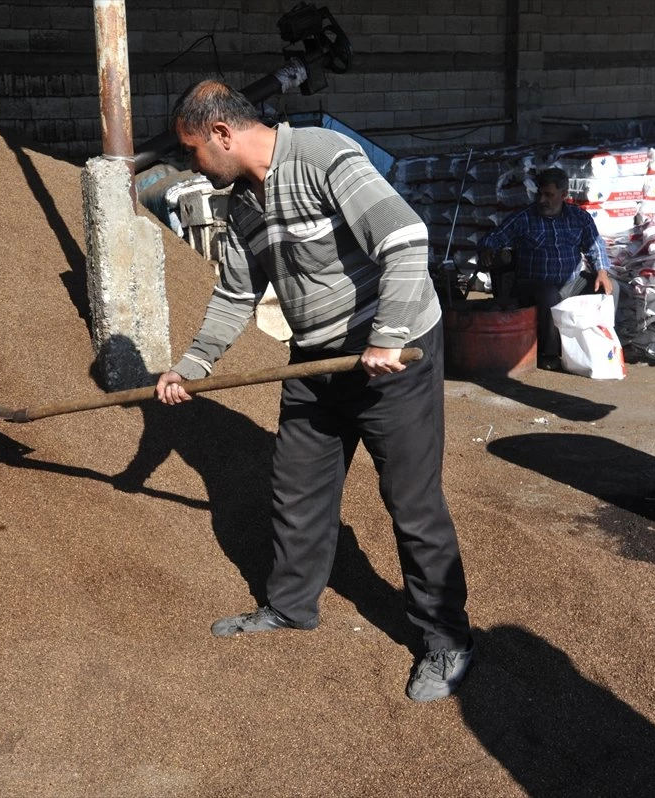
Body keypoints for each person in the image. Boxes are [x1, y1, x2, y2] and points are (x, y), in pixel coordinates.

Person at [155, 79, 473, 703]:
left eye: (193, 149)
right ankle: (291, 606)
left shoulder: (324, 156)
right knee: (297, 488)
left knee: (411, 501)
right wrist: (191, 365)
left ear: (222, 134)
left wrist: (386, 335)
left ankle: (446, 639)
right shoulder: (238, 203)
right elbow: (235, 295)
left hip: (394, 354)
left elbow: (406, 241)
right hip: (315, 362)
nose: (192, 164)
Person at [479, 168, 614, 369]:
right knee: (549, 294)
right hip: (532, 285)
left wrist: (602, 271)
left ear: (564, 194)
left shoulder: (579, 217)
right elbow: (493, 238)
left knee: (610, 289)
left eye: (549, 195)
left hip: (571, 283)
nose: (542, 200)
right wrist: (488, 248)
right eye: (539, 194)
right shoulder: (524, 218)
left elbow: (595, 245)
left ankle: (603, 345)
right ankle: (549, 353)